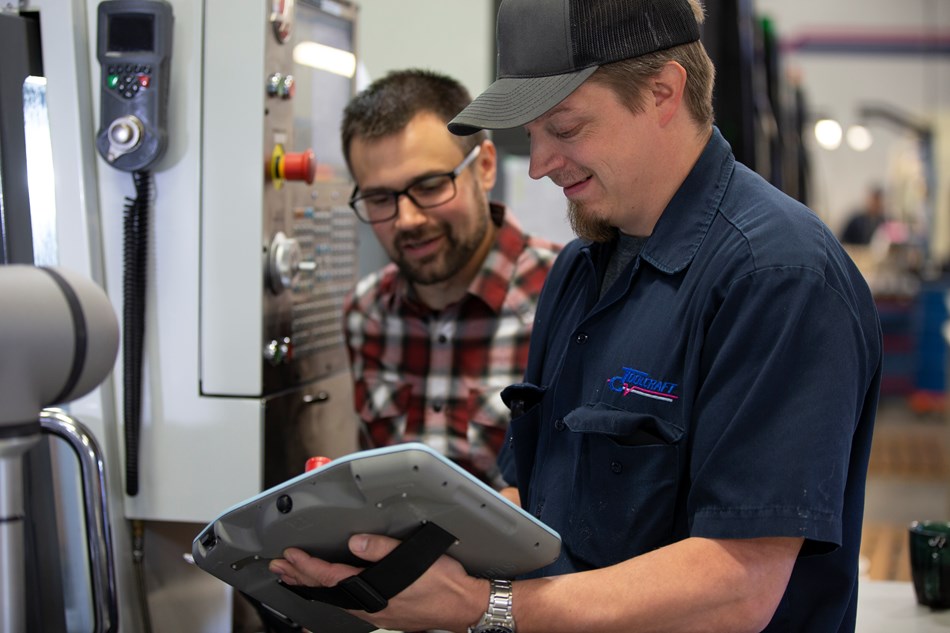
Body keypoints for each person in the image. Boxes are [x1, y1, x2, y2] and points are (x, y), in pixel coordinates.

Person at [270, 2, 882, 632]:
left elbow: (738, 585)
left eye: (563, 129)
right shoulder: (580, 270)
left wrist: (482, 608)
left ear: (662, 92)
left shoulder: (777, 278)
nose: (538, 164)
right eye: (531, 134)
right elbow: (536, 505)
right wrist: (395, 560)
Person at [339, 69, 561, 488]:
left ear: (486, 168)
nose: (407, 220)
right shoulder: (364, 313)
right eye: (380, 198)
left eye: (429, 186)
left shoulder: (567, 296)